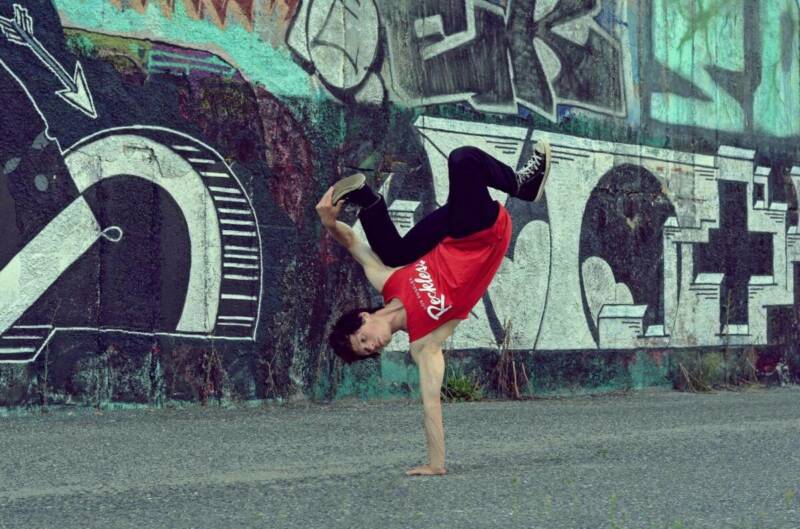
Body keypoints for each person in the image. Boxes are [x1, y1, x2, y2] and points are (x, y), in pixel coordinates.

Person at [315, 139, 552, 476]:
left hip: (454, 231)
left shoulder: (388, 282)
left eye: (363, 339)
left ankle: (367, 198)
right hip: (484, 236)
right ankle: (521, 186)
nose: (373, 345)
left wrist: (328, 223)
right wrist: (435, 463)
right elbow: (431, 404)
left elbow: (353, 242)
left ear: (363, 317)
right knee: (463, 160)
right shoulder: (424, 343)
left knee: (393, 253)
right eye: (368, 350)